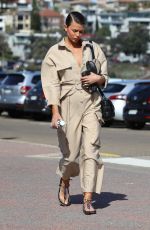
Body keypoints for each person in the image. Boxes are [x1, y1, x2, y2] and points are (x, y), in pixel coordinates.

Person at [41, 11, 108, 215]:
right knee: (70, 155)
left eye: (81, 31)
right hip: (67, 105)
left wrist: (98, 79)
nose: (78, 35)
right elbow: (51, 84)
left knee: (91, 152)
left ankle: (88, 198)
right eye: (74, 30)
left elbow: (105, 76)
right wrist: (55, 112)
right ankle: (64, 181)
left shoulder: (94, 49)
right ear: (66, 28)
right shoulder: (54, 52)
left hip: (91, 103)